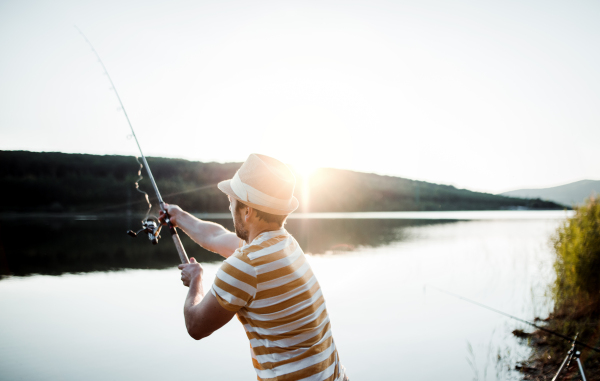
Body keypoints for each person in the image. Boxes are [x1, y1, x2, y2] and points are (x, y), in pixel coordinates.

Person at [160, 153, 348, 381]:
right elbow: (215, 235)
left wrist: (196, 282)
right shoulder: (285, 243)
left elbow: (195, 325)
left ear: (247, 210)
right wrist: (178, 216)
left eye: (232, 201)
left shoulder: (245, 265)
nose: (230, 206)